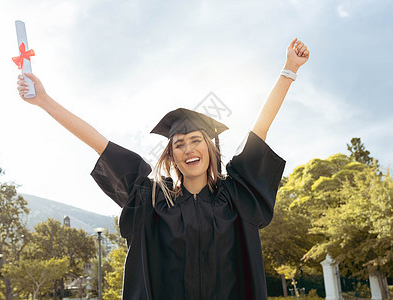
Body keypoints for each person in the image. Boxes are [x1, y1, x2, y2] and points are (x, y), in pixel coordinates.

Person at [17, 38, 309, 299]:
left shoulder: (235, 196)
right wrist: (44, 101)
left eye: (196, 141)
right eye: (179, 144)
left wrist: (289, 70)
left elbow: (260, 130)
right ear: (171, 156)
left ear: (211, 149)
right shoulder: (152, 201)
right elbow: (100, 144)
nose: (189, 149)